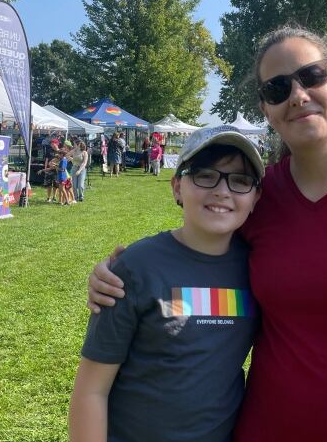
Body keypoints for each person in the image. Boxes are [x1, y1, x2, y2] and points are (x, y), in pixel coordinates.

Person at [86, 26, 327, 442]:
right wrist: (119, 274)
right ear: (266, 110)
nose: (297, 94)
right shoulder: (258, 194)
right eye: (277, 88)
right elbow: (197, 251)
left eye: (311, 76)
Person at [69, 126, 263, 442]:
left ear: (256, 197)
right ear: (176, 187)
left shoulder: (259, 268)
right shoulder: (136, 267)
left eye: (240, 180)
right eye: (204, 175)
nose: (222, 190)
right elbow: (91, 391)